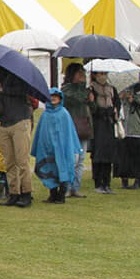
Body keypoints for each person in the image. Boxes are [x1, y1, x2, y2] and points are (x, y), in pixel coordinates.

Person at [0, 71, 36, 208]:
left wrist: (2, 91)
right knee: (9, 161)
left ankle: (26, 192)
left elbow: (21, 93)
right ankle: (13, 193)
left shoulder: (20, 79)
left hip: (20, 120)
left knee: (22, 160)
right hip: (5, 123)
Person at [30, 88, 81, 203]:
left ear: (60, 98)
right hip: (47, 149)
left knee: (62, 170)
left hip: (62, 150)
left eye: (55, 96)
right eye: (51, 96)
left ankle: (61, 195)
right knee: (49, 169)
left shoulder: (64, 114)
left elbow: (69, 133)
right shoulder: (45, 115)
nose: (53, 98)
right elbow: (41, 132)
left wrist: (70, 148)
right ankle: (52, 194)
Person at [60, 64, 92, 198]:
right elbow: (75, 99)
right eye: (79, 73)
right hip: (71, 127)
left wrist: (91, 100)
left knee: (81, 160)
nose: (82, 76)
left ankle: (75, 187)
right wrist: (85, 93)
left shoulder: (86, 91)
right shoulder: (66, 89)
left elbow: (92, 107)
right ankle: (66, 187)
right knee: (72, 159)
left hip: (84, 126)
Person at [115, 80, 140, 189]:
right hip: (123, 128)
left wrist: (135, 99)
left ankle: (137, 180)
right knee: (123, 156)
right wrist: (120, 97)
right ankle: (124, 180)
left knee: (137, 155)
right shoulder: (119, 87)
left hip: (136, 127)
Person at [88, 70, 119, 194]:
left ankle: (107, 182)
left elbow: (117, 103)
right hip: (97, 124)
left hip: (109, 123)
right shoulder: (91, 89)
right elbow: (92, 109)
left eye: (104, 73)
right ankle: (98, 182)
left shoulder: (111, 88)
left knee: (108, 153)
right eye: (100, 74)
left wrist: (114, 109)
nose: (102, 76)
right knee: (98, 154)